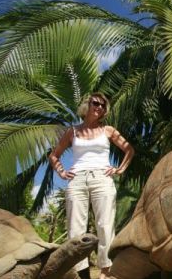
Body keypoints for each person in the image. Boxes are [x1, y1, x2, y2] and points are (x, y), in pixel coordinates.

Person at [48, 93, 134, 279]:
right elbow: (54, 155)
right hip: (77, 180)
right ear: (87, 105)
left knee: (104, 225)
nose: (100, 108)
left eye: (103, 106)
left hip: (102, 178)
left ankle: (105, 272)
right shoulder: (73, 131)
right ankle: (81, 273)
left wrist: (119, 169)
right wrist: (62, 172)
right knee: (75, 229)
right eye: (96, 103)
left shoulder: (108, 130)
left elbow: (129, 149)